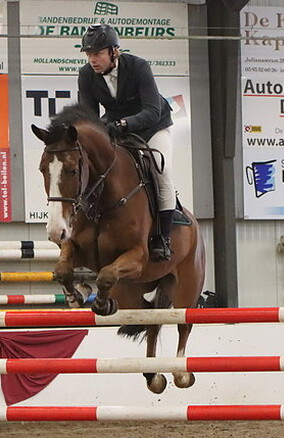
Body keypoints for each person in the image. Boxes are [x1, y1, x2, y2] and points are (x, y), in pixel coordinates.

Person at [77, 23, 176, 262]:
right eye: (89, 54)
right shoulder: (86, 74)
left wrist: (122, 124)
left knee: (162, 172)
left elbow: (152, 111)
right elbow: (89, 116)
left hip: (153, 128)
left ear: (114, 52)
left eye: (98, 53)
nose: (93, 59)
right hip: (117, 127)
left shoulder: (139, 67)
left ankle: (163, 237)